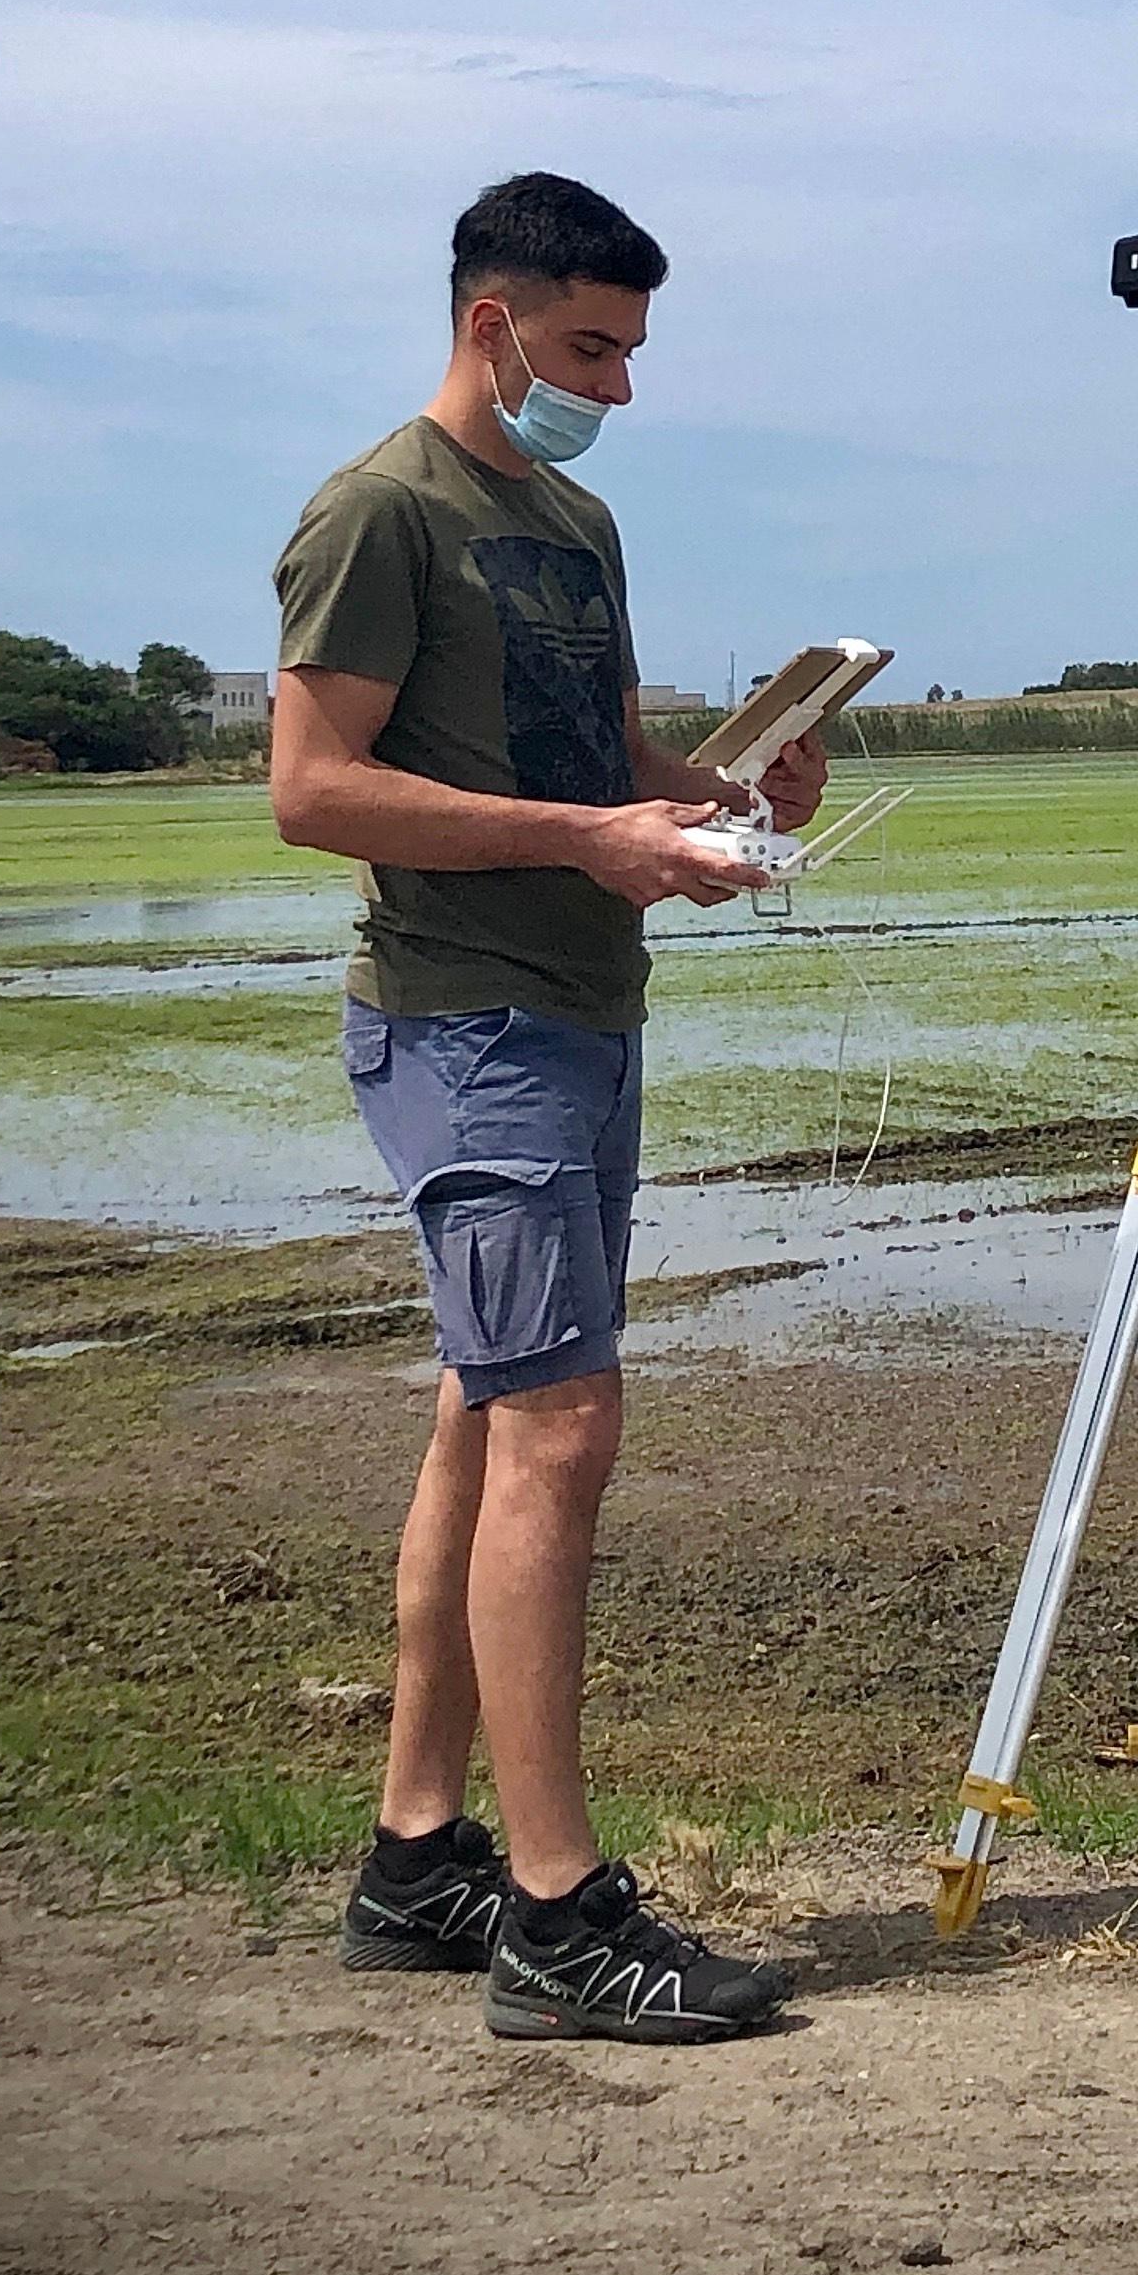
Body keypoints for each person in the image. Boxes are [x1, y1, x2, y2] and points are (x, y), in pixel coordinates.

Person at [270, 170, 827, 2041]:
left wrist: (731, 788)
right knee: (560, 1433)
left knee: (484, 1418)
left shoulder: (573, 520)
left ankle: (417, 1853)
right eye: (592, 345)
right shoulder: (378, 515)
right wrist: (593, 836)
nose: (617, 383)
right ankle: (557, 1908)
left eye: (634, 352)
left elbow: (597, 766)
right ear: (492, 322)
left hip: (587, 1010)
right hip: (463, 1021)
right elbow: (316, 789)